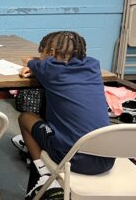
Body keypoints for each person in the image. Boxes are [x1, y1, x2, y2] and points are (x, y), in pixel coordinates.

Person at [18, 31, 115, 200]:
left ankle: (44, 176)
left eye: (43, 52)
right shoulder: (93, 65)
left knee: (25, 117)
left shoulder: (48, 68)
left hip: (73, 160)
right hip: (107, 158)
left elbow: (26, 59)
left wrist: (37, 64)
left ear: (51, 53)